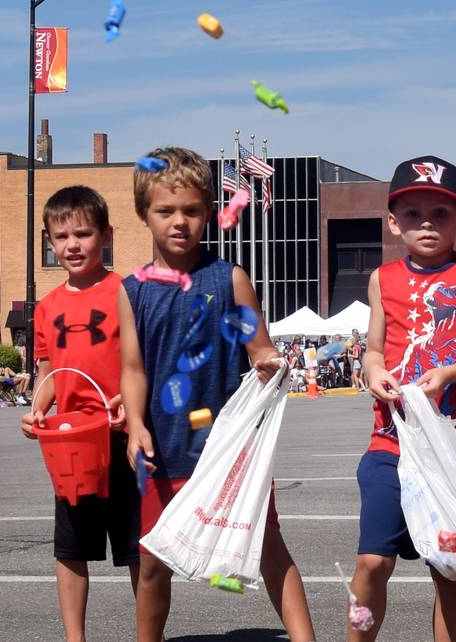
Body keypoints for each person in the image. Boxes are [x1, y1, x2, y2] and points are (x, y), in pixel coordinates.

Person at [119, 147, 315, 642]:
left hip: (230, 451)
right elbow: (133, 368)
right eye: (166, 211)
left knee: (269, 544)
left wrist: (270, 365)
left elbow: (260, 349)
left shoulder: (230, 279)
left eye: (191, 210)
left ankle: (304, 637)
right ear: (144, 214)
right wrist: (137, 425)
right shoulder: (132, 291)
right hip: (162, 448)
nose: (179, 222)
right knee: (152, 562)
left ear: (210, 211)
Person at [349, 155, 456, 642]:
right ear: (393, 222)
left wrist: (449, 373)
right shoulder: (383, 278)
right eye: (413, 213)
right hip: (390, 445)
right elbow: (374, 350)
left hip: (455, 454)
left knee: (450, 569)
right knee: (372, 562)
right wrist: (373, 373)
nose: (427, 223)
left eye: (440, 213)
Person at [19, 185, 138, 642]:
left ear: (106, 235)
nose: (72, 245)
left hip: (123, 436)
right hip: (71, 444)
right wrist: (36, 414)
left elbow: (141, 360)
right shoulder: (47, 307)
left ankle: (149, 632)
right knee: (70, 547)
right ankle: (75, 637)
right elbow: (47, 371)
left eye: (83, 234)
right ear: (48, 241)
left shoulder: (126, 292)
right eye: (60, 236)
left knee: (136, 547)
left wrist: (131, 403)